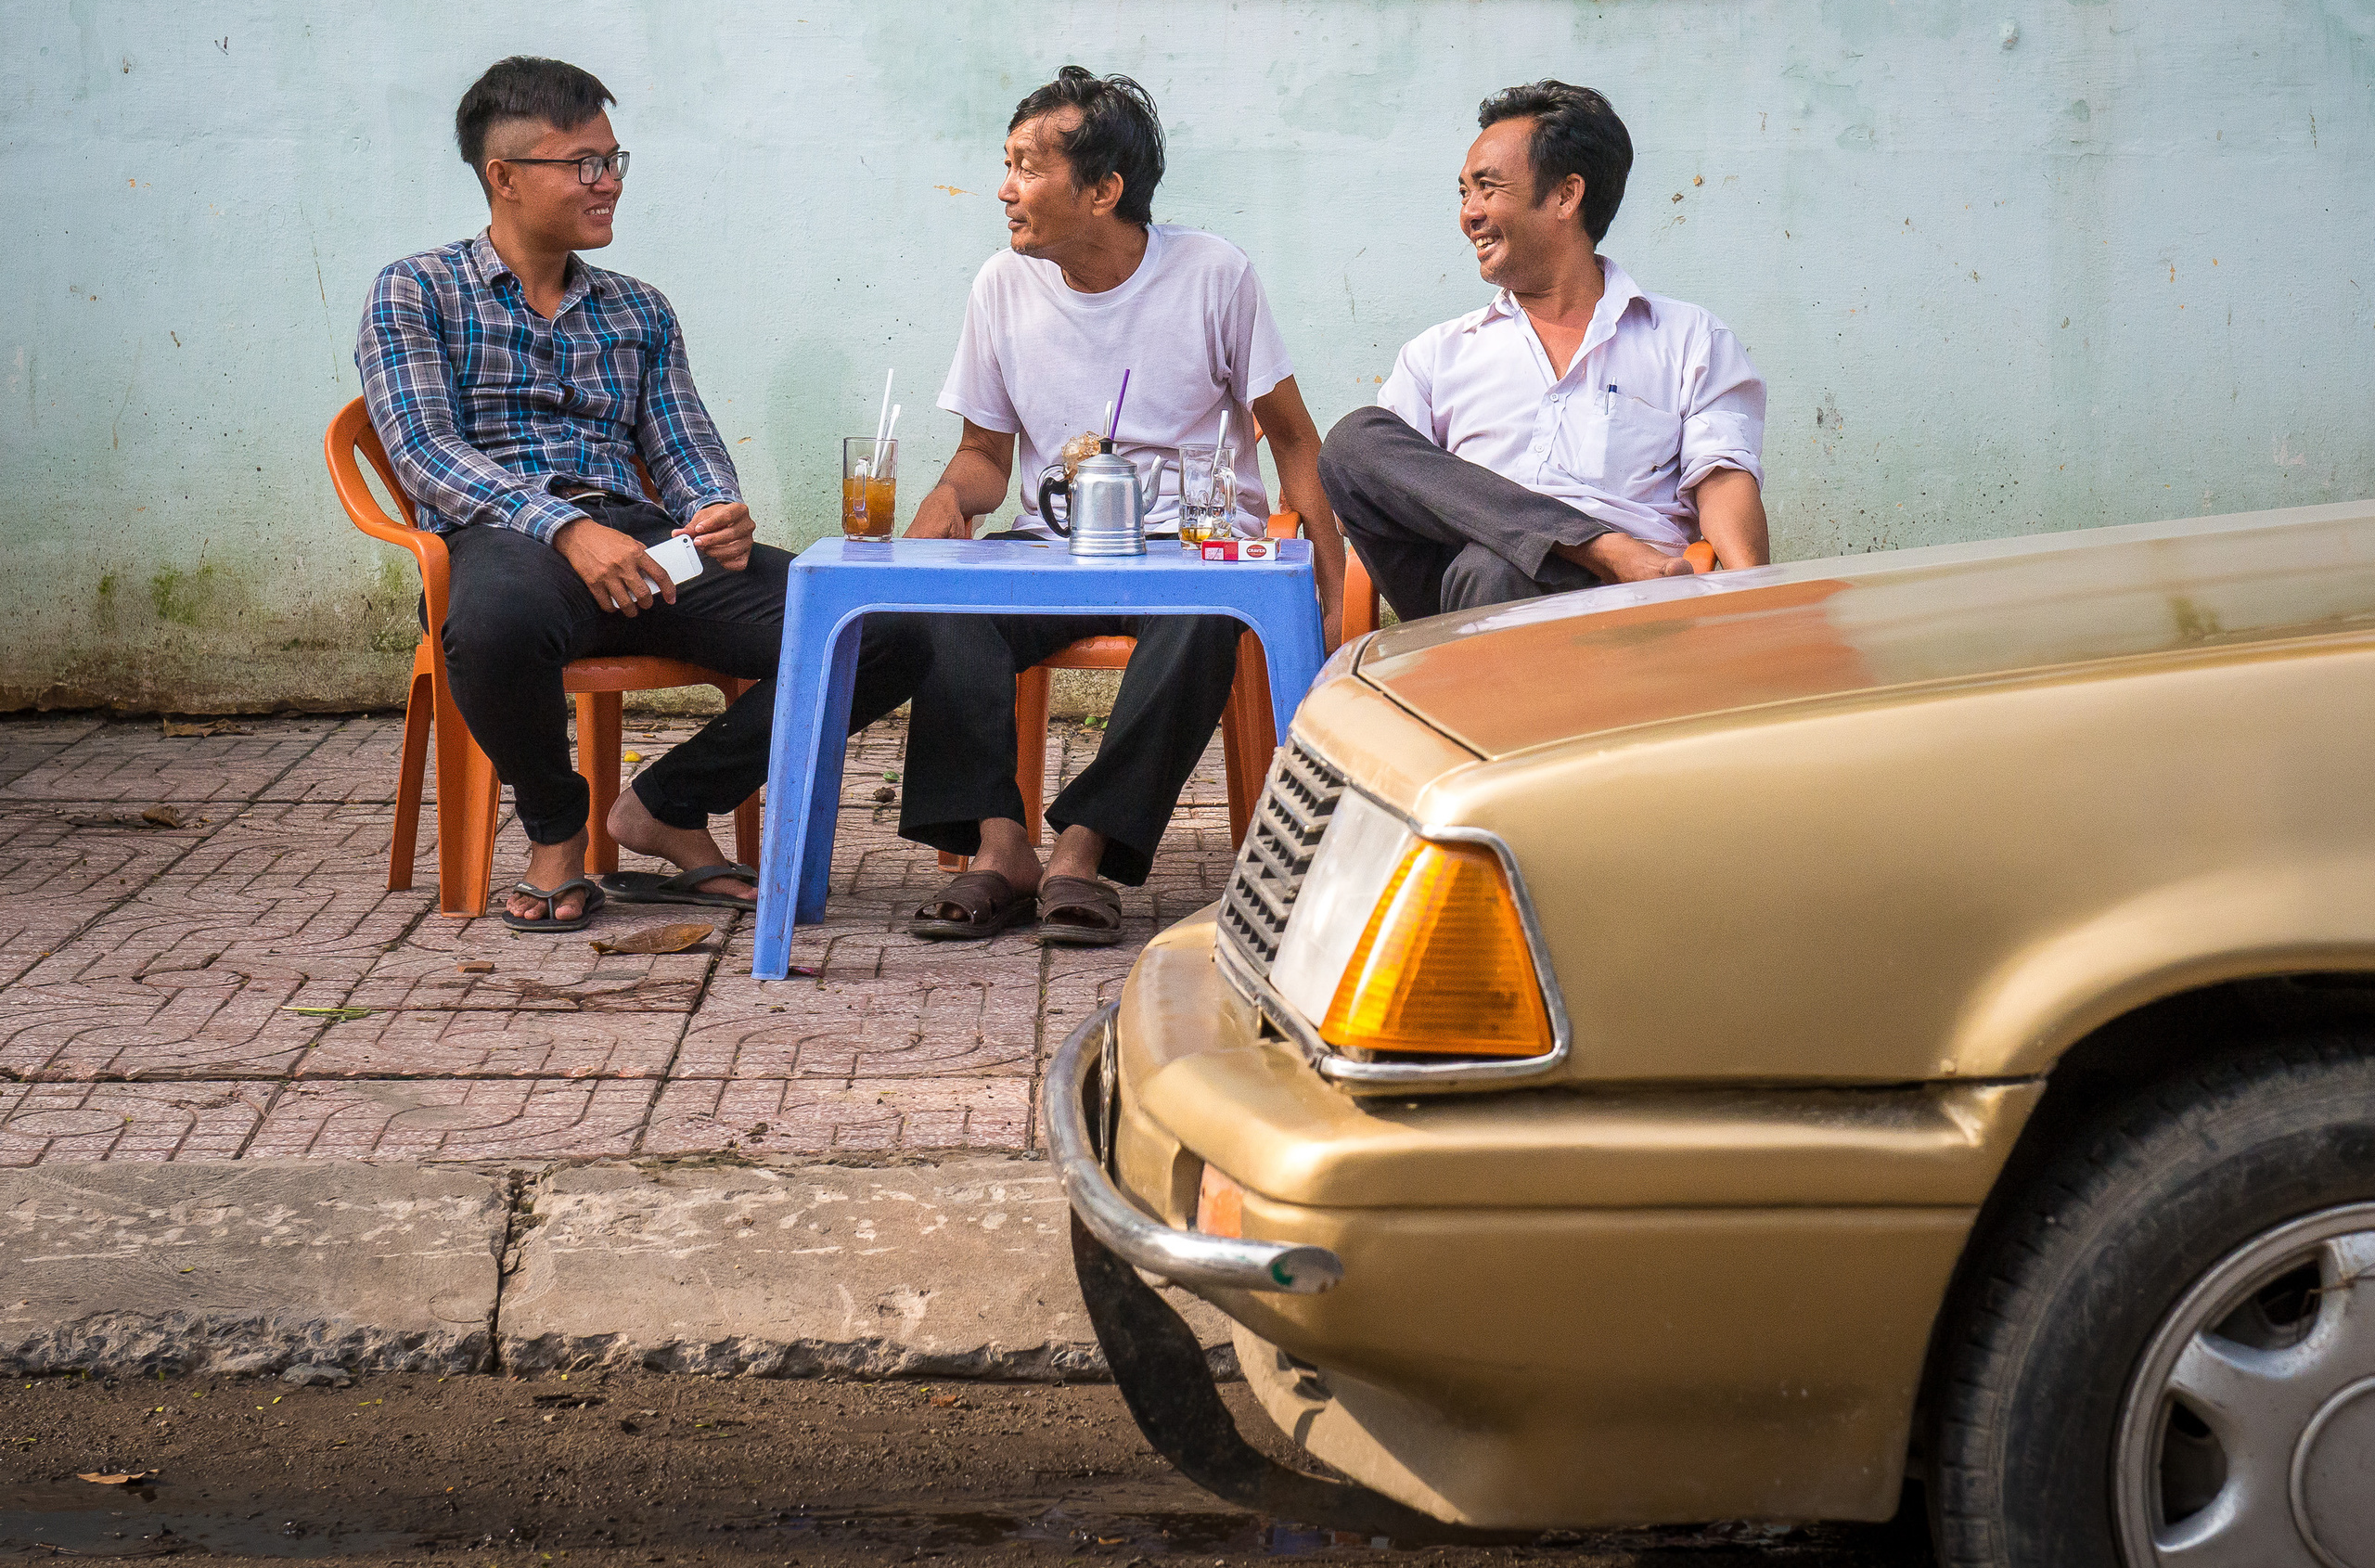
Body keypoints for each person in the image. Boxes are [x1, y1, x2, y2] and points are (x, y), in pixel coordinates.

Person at [356, 56, 928, 931]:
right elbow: (426, 451)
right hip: (509, 540)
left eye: (615, 160)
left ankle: (664, 805)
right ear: (503, 178)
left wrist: (713, 508)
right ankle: (557, 831)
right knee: (492, 627)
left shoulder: (638, 310)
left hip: (656, 549)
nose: (609, 183)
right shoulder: (416, 291)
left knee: (881, 628)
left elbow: (683, 438)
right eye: (584, 164)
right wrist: (564, 529)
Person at [897, 67, 1347, 946]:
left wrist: (1328, 579)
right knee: (954, 605)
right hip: (1048, 546)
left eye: (1029, 167)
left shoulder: (1213, 274)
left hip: (1184, 549)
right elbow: (986, 457)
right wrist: (948, 502)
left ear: (1104, 190)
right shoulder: (1002, 284)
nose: (1005, 188)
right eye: (1007, 163)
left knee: (1201, 618)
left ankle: (1082, 850)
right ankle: (1001, 848)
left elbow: (1291, 435)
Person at [1320, 80, 1768, 622]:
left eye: (1487, 187)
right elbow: (1370, 493)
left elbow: (1722, 480)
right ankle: (1597, 545)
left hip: (1628, 613)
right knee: (1353, 444)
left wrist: (1755, 611)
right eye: (1464, 193)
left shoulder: (1688, 339)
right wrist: (1559, 536)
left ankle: (1583, 559)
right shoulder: (1438, 354)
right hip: (1462, 598)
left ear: (1565, 195)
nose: (1469, 214)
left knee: (1495, 568)